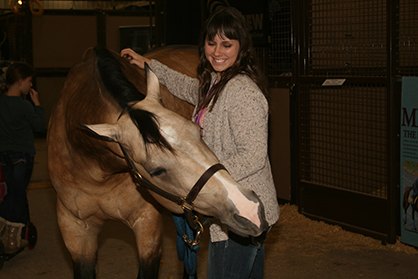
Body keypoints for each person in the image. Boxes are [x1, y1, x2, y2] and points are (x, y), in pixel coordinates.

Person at [121, 7, 279, 279]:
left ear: (241, 48)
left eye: (227, 44)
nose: (217, 51)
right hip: (236, 206)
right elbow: (184, 85)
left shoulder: (243, 92)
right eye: (211, 43)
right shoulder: (216, 82)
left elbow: (253, 156)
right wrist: (148, 64)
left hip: (240, 210)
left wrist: (199, 179)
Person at [0, 62, 45, 254]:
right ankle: (11, 239)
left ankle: (10, 233)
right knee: (17, 196)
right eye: (29, 82)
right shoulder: (25, 106)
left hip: (4, 156)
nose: (30, 86)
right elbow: (40, 127)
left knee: (12, 192)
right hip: (23, 157)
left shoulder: (1, 102)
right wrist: (37, 105)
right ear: (19, 81)